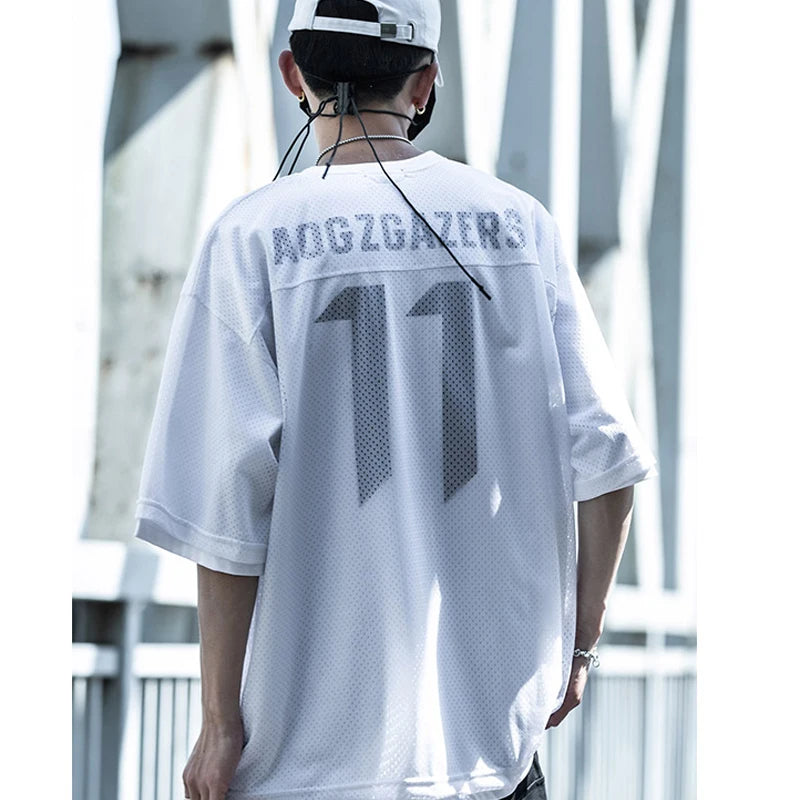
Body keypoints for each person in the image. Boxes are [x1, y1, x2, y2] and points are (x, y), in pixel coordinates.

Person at [133, 1, 658, 799]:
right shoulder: (521, 227)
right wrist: (578, 651)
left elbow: (226, 507)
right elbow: (610, 464)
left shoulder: (251, 238)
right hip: (490, 759)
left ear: (294, 75)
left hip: (305, 765)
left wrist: (219, 723)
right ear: (425, 84)